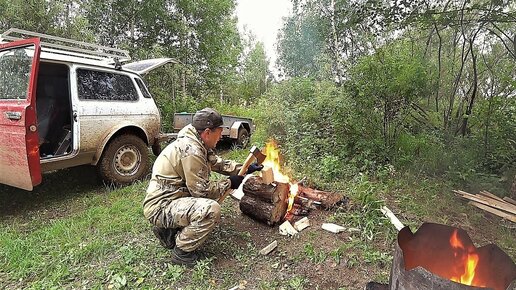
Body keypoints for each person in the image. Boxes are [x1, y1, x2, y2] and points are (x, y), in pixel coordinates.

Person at [143, 108, 262, 266]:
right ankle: (182, 252)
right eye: (219, 132)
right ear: (207, 132)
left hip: (172, 198)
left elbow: (217, 163)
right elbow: (202, 191)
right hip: (161, 207)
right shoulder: (191, 150)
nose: (220, 137)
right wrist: (229, 183)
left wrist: (245, 168)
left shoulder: (197, 140)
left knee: (206, 202)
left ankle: (168, 232)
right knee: (211, 209)